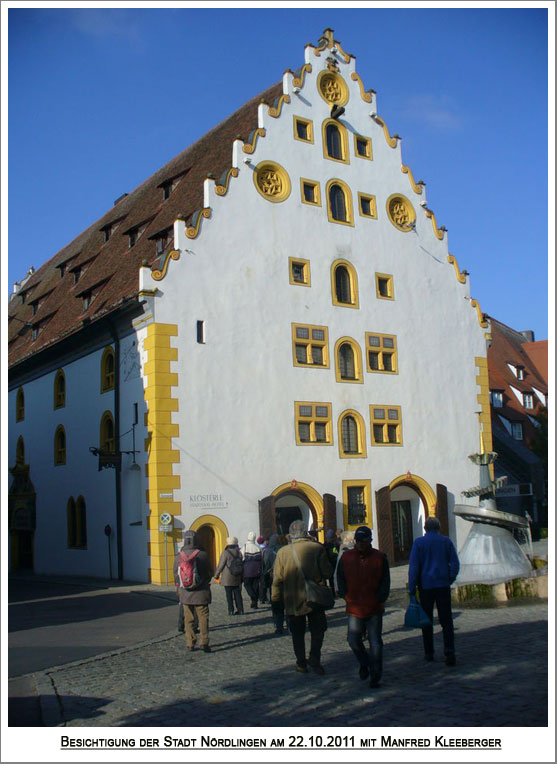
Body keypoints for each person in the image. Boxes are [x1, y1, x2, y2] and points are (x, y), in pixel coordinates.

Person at [271, 520, 333, 675]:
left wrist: (275, 598)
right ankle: (315, 657)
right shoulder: (317, 548)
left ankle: (300, 663)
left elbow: (277, 578)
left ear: (291, 534)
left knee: (297, 633)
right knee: (318, 629)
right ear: (305, 532)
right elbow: (327, 572)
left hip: (293, 599)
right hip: (314, 597)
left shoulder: (283, 552)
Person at [336, 526, 390, 688]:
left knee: (375, 641)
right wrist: (346, 595)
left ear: (370, 541)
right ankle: (365, 662)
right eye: (358, 541)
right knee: (353, 640)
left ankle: (376, 673)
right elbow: (340, 578)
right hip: (354, 606)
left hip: (374, 606)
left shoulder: (379, 557)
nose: (360, 544)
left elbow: (385, 581)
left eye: (363, 541)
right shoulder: (347, 557)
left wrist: (381, 598)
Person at [407, 516, 460, 666]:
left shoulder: (419, 543)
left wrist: (412, 587)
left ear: (425, 528)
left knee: (427, 621)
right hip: (442, 585)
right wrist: (450, 578)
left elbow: (414, 567)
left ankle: (429, 652)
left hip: (426, 586)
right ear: (439, 527)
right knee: (446, 620)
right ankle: (449, 651)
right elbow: (455, 563)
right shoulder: (446, 542)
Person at [173, 530, 213, 652]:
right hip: (201, 592)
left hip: (185, 593)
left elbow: (175, 574)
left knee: (188, 618)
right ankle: (204, 642)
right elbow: (210, 572)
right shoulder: (203, 555)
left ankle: (190, 643)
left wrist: (179, 587)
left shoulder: (179, 556)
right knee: (203, 618)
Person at [263, 534, 288, 634]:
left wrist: (265, 581)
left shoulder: (270, 551)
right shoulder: (289, 550)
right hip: (288, 578)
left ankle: (279, 626)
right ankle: (291, 625)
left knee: (277, 603)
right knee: (288, 603)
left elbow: (267, 566)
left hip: (275, 579)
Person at [214, 536, 244, 616]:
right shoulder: (239, 552)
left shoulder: (226, 553)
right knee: (238, 594)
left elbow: (221, 565)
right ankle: (240, 609)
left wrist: (216, 575)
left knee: (229, 595)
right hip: (237, 576)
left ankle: (231, 610)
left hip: (228, 577)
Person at [241, 531, 263, 608]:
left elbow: (241, 557)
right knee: (255, 586)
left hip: (247, 570)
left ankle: (253, 597)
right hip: (257, 570)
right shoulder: (258, 547)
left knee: (247, 585)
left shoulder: (245, 547)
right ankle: (255, 602)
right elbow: (261, 558)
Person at [324, 529, 340, 597]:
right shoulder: (335, 544)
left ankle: (334, 593)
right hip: (332, 562)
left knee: (332, 579)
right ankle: (334, 593)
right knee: (332, 579)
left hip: (331, 563)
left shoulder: (327, 545)